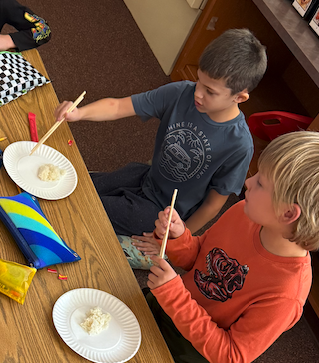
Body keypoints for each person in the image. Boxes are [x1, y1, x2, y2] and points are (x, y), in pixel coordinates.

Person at [132, 131, 319, 363]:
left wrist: (173, 295)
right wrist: (179, 239)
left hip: (188, 357)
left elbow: (230, 356)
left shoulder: (286, 293)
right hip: (163, 308)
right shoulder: (243, 211)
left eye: (261, 182)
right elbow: (198, 260)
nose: (248, 182)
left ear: (288, 213)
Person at [55, 29, 266, 268]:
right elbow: (118, 106)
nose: (197, 93)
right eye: (199, 81)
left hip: (162, 213)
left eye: (210, 91)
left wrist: (171, 238)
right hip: (145, 177)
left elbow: (212, 205)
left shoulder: (239, 144)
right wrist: (79, 113)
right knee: (77, 186)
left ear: (239, 97)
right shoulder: (181, 93)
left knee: (83, 207)